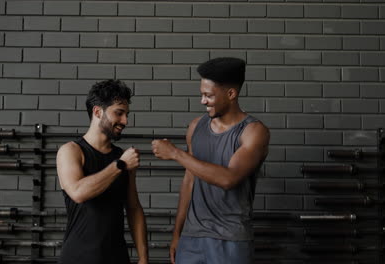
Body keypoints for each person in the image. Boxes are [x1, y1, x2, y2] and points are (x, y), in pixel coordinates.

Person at [152, 57, 270, 264]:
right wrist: (177, 233)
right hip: (192, 237)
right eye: (202, 95)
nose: (203, 101)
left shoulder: (253, 132)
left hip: (231, 239)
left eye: (209, 95)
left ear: (231, 94)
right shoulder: (196, 127)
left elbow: (229, 179)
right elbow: (189, 180)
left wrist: (176, 154)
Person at [56, 80, 148, 264]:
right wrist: (119, 165)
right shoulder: (71, 151)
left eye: (127, 115)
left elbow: (133, 208)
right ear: (97, 112)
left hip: (117, 257)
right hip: (78, 257)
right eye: (119, 113)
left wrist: (143, 258)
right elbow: (78, 192)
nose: (125, 121)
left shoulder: (121, 156)